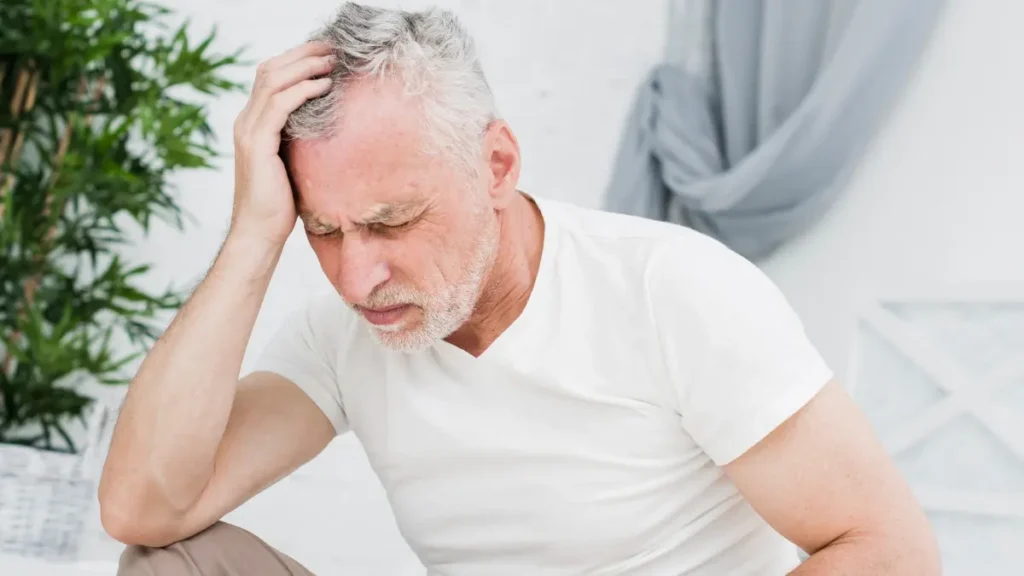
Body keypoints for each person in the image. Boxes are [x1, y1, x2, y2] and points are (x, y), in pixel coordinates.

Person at [98, 3, 941, 575]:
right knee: (173, 565)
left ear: (495, 164)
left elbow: (890, 550)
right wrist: (254, 236)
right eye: (325, 230)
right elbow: (145, 509)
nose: (360, 277)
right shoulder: (341, 335)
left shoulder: (671, 290)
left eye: (393, 221)